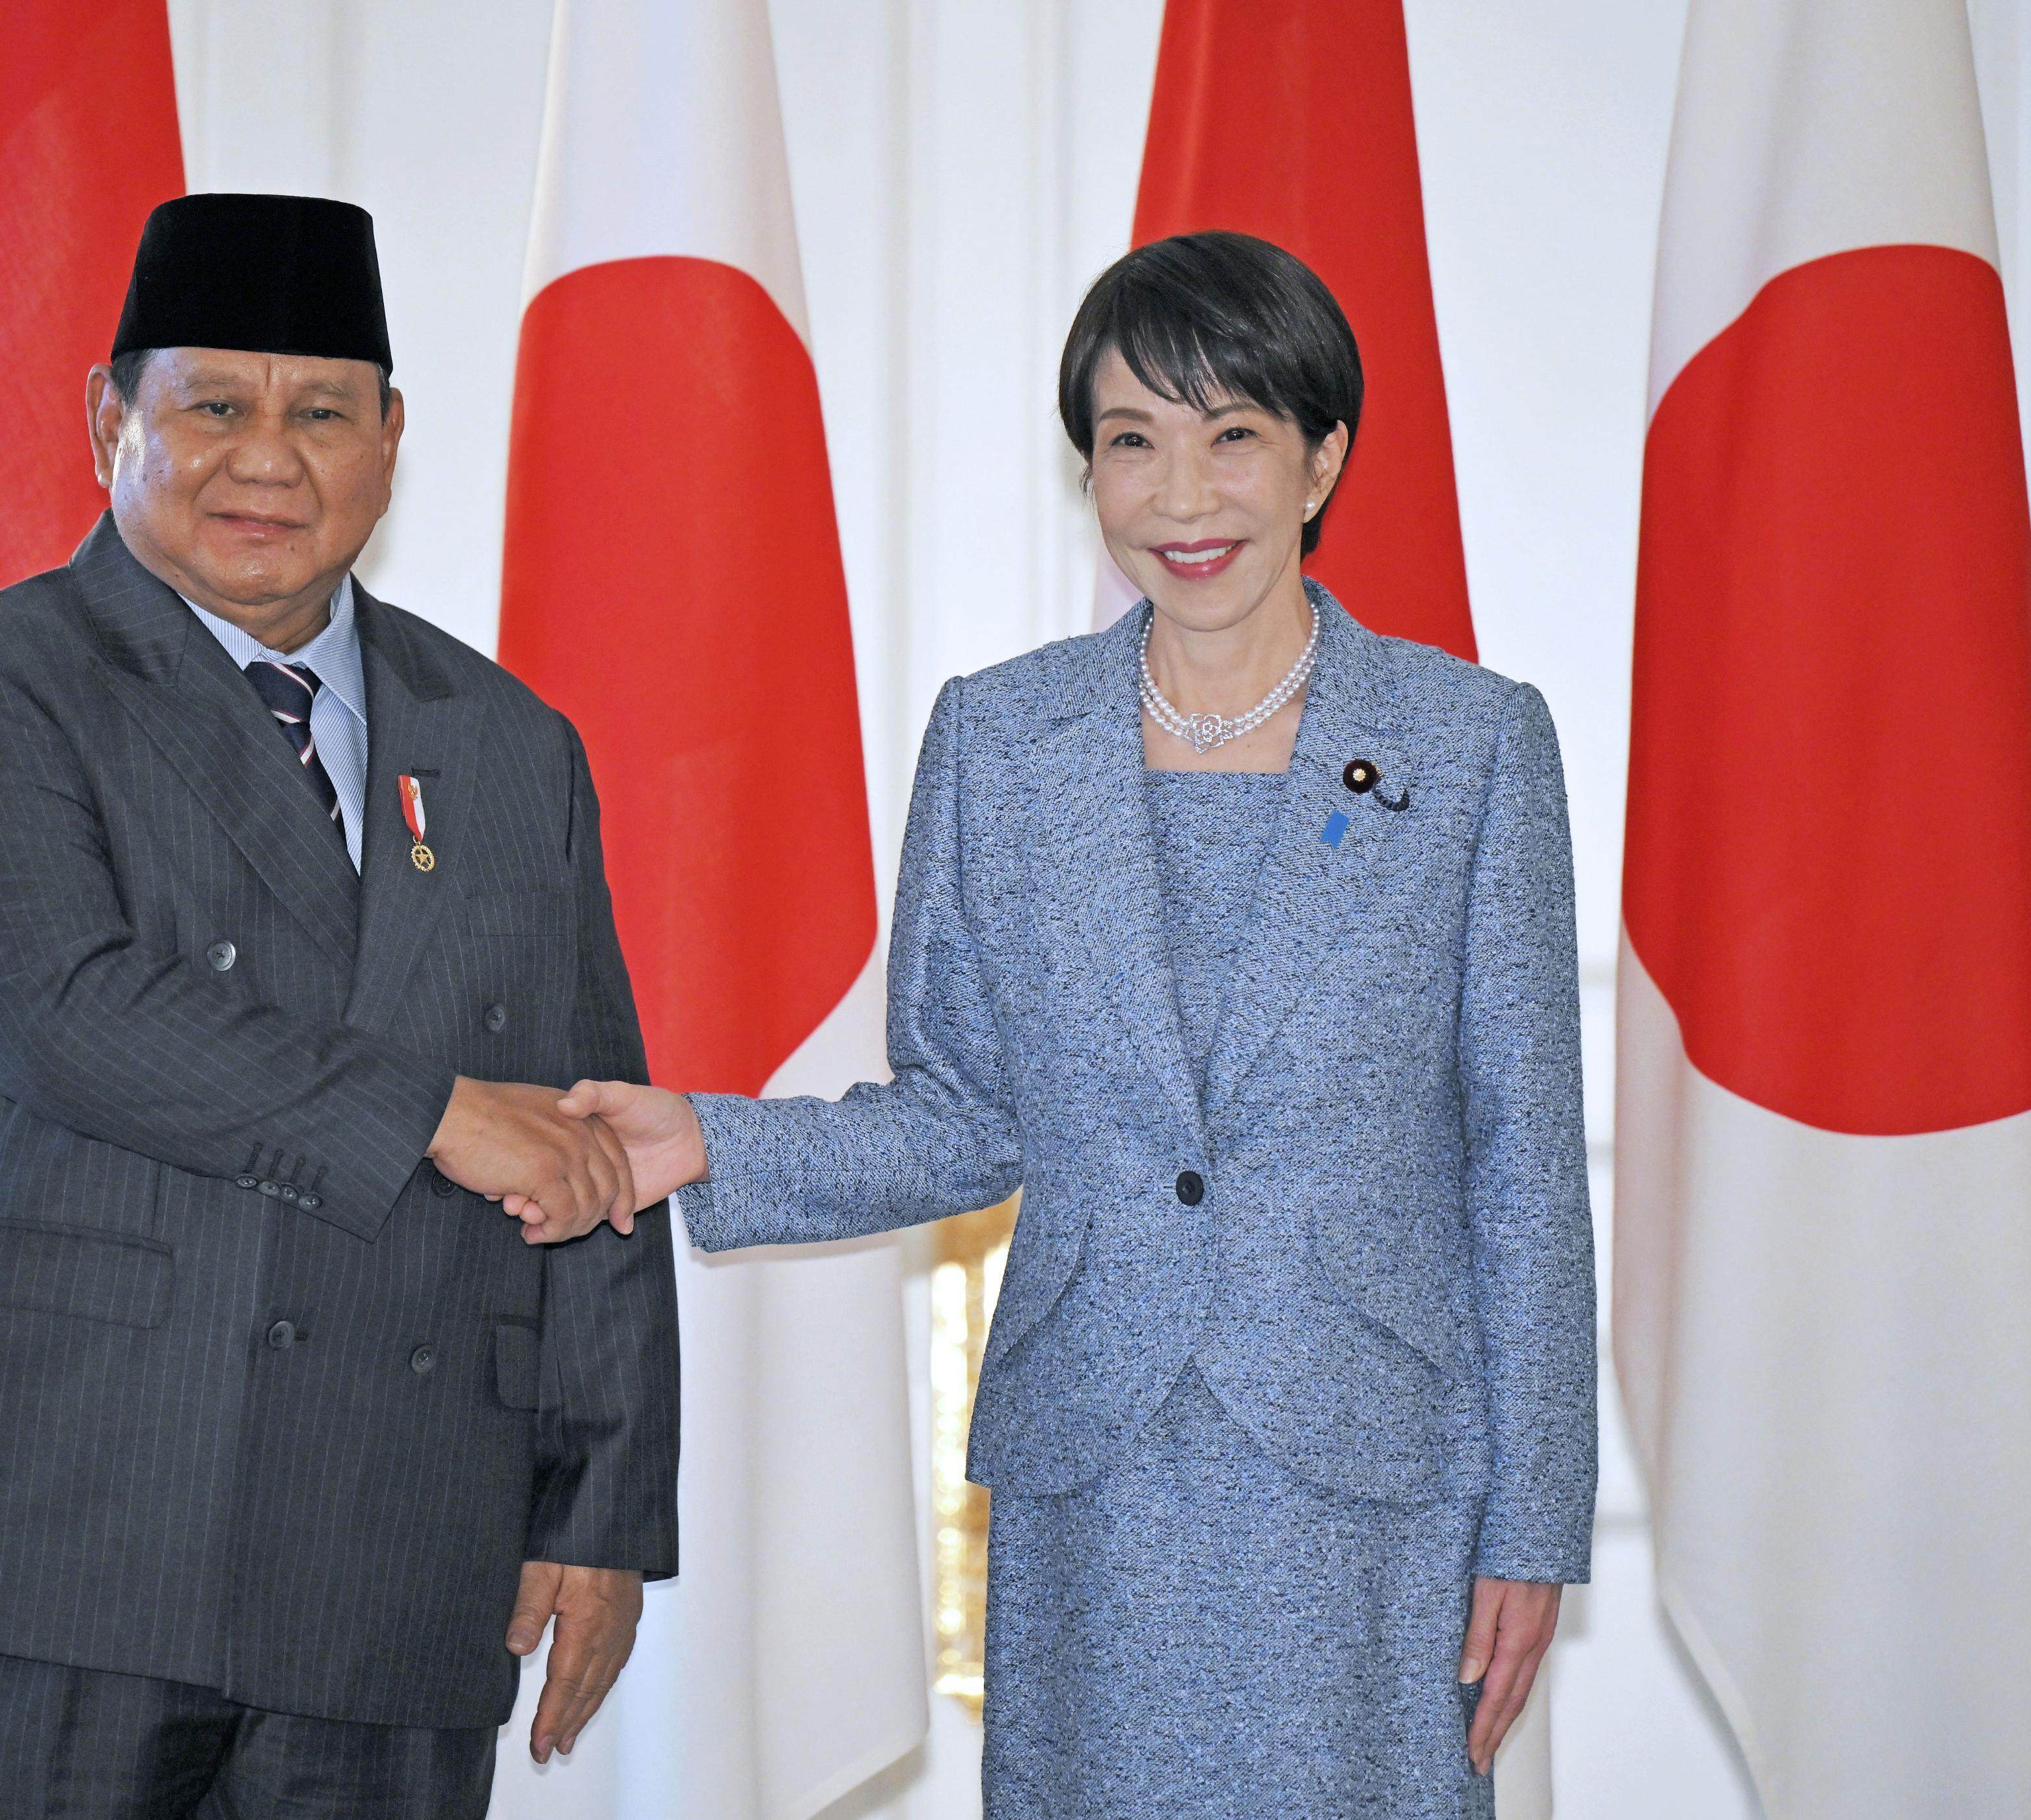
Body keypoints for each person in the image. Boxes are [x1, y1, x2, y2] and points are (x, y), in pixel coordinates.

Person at [549, 231, 1596, 1818]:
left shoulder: (1472, 744)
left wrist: (1533, 1519)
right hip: (1096, 1473)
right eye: (1132, 443)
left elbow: (1524, 1164)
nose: (1182, 497)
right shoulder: (997, 740)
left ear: (1322, 458)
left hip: (1375, 1482)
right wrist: (710, 1134)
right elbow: (964, 1112)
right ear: (1088, 472)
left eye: (1233, 434)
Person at [0, 193, 679, 1819]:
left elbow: (595, 1129)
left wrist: (603, 1504)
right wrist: (429, 1115)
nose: (269, 457)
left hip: (395, 1550)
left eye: (322, 411)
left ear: (392, 444)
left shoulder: (506, 742)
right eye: (215, 406)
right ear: (110, 420)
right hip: (45, 1539)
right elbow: (63, 1007)